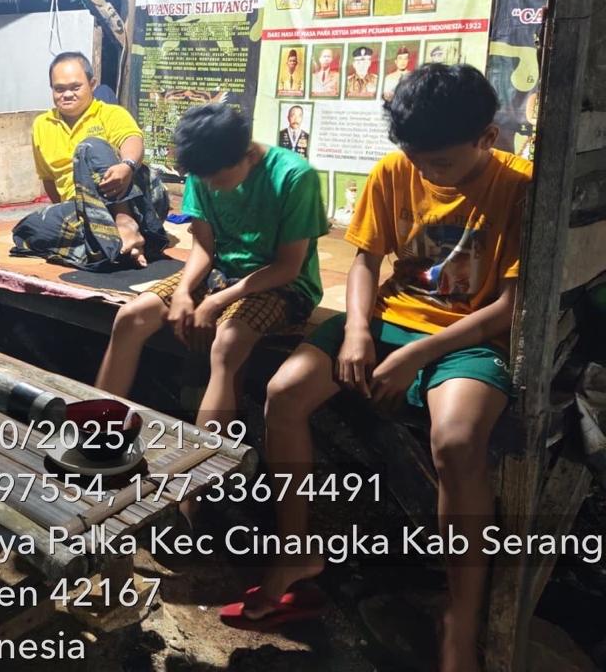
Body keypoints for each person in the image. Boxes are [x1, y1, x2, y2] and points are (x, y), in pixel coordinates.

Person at [227, 65, 530, 672]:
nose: (425, 172)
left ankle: (459, 618)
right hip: (390, 319)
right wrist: (358, 330)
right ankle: (296, 549)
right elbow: (366, 261)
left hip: (471, 333)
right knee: (284, 391)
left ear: (487, 137)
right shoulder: (397, 169)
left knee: (456, 440)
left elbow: (507, 307)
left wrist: (416, 356)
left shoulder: (521, 187)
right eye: (416, 158)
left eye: (439, 162)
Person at [95, 105, 328, 446]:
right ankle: (98, 431)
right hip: (220, 271)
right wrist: (183, 292)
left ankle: (201, 467)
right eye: (204, 179)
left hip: (283, 284)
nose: (211, 187)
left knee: (227, 344)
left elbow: (288, 267)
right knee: (131, 316)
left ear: (249, 155)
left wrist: (215, 302)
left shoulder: (294, 176)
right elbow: (204, 247)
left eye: (218, 179)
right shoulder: (204, 169)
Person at [11, 52, 168, 270]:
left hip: (136, 203)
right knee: (27, 230)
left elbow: (132, 140)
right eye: (59, 89)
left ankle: (124, 224)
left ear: (92, 84)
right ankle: (117, 246)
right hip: (86, 212)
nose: (67, 94)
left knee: (89, 148)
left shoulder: (111, 113)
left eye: (75, 87)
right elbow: (49, 179)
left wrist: (127, 166)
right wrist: (65, 211)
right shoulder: (41, 125)